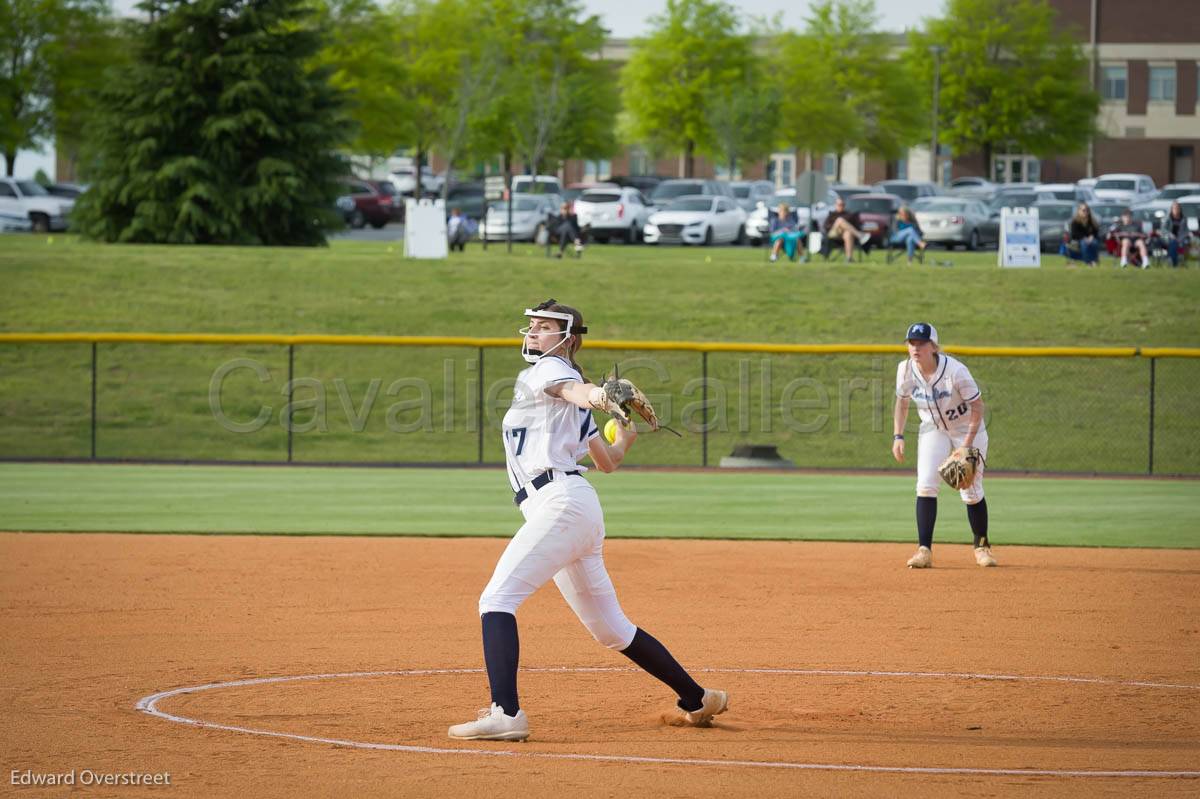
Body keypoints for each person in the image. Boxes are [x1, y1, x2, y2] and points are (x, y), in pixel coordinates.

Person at [448, 299, 729, 742]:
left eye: (543, 327)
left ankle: (507, 714)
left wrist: (600, 396)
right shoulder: (547, 386)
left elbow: (575, 392)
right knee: (612, 629)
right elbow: (609, 462)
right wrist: (626, 435)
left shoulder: (552, 371)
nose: (533, 333)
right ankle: (698, 699)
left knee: (496, 599)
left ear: (567, 338)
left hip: (560, 503)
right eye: (532, 326)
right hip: (573, 507)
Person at [891, 322, 996, 569]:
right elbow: (902, 402)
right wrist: (898, 436)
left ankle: (982, 546)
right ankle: (924, 550)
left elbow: (978, 406)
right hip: (933, 429)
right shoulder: (905, 369)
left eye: (921, 343)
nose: (915, 348)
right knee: (926, 485)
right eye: (911, 343)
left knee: (970, 490)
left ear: (933, 346)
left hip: (966, 429)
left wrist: (966, 446)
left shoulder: (956, 371)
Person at [1063, 202, 1100, 267]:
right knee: (1084, 244)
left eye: (1087, 210)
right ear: (1079, 211)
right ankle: (1088, 262)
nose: (1085, 212)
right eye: (1083, 210)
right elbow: (1074, 234)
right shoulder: (1075, 222)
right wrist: (1084, 238)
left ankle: (1094, 261)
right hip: (1078, 240)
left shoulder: (1092, 221)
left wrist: (1092, 237)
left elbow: (1095, 232)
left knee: (1094, 243)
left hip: (1090, 239)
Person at [1161, 201, 1192, 268]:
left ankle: (1172, 260)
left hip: (1181, 239)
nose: (1176, 210)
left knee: (1178, 243)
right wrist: (1170, 235)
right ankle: (1174, 262)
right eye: (1174, 208)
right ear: (1171, 209)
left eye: (1177, 208)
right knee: (1173, 242)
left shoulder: (1183, 219)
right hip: (1168, 239)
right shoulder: (1168, 218)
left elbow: (1186, 231)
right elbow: (1163, 229)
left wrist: (1180, 238)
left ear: (1180, 209)